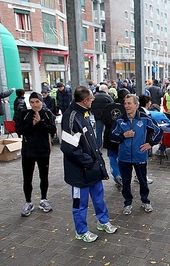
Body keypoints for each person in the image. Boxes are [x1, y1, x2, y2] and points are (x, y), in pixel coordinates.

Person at [60, 86, 117, 243]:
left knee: (99, 197)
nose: (93, 100)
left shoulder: (84, 113)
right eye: (92, 98)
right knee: (80, 203)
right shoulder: (71, 117)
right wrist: (89, 161)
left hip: (92, 168)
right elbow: (69, 148)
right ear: (84, 100)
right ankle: (81, 230)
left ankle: (103, 221)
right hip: (79, 172)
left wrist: (94, 162)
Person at [110, 94, 163, 215]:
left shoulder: (144, 118)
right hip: (124, 157)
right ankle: (127, 203)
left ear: (136, 105)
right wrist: (123, 136)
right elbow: (111, 136)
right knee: (126, 182)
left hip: (140, 155)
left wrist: (150, 143)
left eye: (129, 103)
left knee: (142, 180)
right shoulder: (120, 120)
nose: (126, 106)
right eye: (125, 103)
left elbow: (159, 130)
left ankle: (145, 201)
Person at [16, 92, 56, 217]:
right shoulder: (24, 114)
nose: (35, 105)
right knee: (27, 178)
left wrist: (40, 123)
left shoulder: (47, 113)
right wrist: (31, 124)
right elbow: (19, 130)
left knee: (43, 176)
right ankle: (28, 202)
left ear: (41, 102)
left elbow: (53, 130)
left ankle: (43, 199)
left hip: (43, 151)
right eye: (32, 102)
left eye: (37, 102)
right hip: (28, 151)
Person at [101, 88, 130, 188]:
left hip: (109, 135)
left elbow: (103, 119)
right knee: (123, 157)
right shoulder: (126, 107)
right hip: (123, 136)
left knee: (112, 157)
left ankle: (117, 175)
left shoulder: (108, 106)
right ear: (125, 97)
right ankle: (123, 176)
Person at [92, 84, 113, 148]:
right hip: (106, 117)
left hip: (98, 117)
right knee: (108, 130)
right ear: (105, 89)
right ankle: (107, 143)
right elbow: (112, 105)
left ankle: (99, 144)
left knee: (98, 131)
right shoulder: (108, 97)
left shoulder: (94, 96)